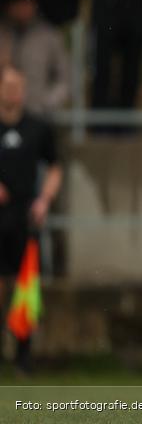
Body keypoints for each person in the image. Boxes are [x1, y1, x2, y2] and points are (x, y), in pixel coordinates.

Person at [0, 66, 63, 375]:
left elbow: (54, 167)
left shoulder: (37, 127)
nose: (13, 92)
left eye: (18, 87)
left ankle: (23, 359)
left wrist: (44, 200)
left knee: (26, 288)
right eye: (8, 86)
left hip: (24, 216)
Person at [0, 0, 70, 116]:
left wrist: (47, 102)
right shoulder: (3, 34)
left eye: (26, 2)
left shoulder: (49, 35)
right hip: (4, 115)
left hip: (37, 113)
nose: (22, 8)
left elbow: (65, 77)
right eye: (17, 2)